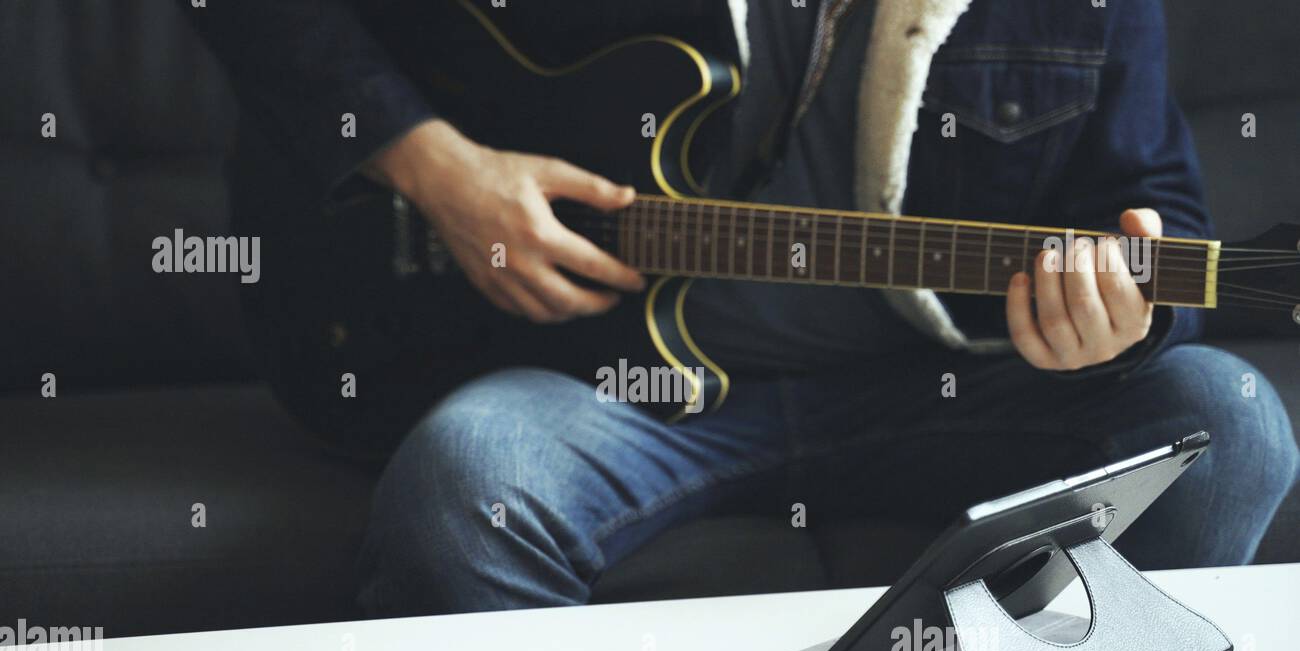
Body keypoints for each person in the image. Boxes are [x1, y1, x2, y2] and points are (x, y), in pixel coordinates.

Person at [184, 0, 1299, 615]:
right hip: (618, 388)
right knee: (463, 480)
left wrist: (1120, 315)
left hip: (944, 393)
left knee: (1230, 419)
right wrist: (436, 166)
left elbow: (1153, 210)